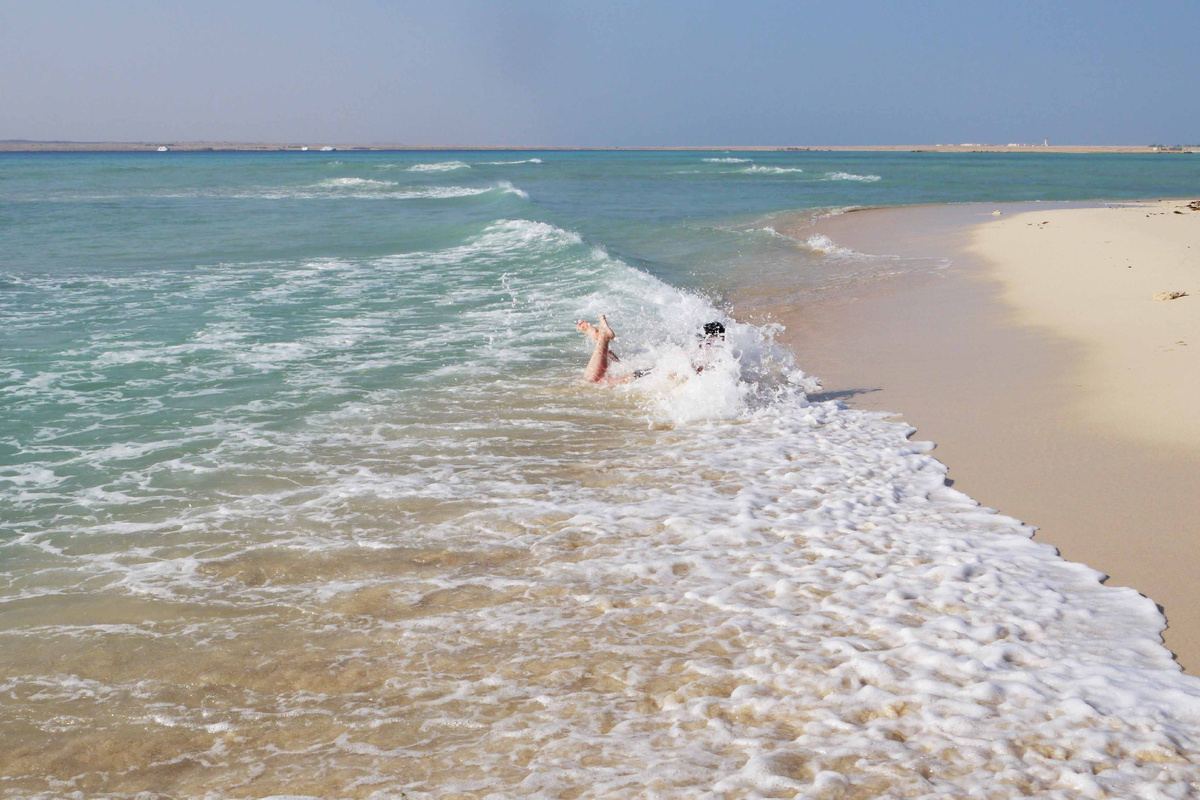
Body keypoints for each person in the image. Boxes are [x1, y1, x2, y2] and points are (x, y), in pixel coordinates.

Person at [577, 316, 725, 383]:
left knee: (613, 367)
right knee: (594, 381)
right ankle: (602, 338)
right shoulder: (706, 357)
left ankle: (599, 339)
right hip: (649, 376)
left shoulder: (700, 353)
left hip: (651, 374)